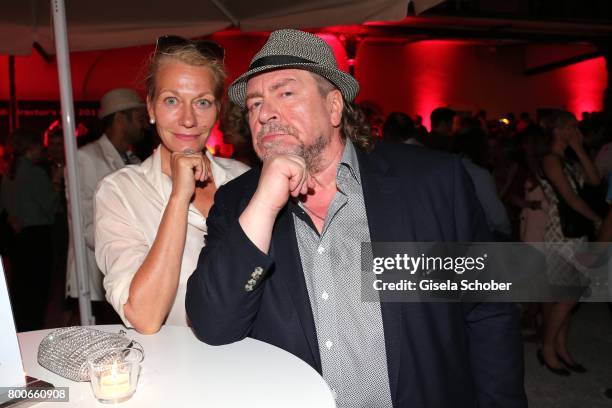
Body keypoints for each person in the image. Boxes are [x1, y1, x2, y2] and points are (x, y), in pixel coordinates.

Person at [186, 29, 526, 408]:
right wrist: (265, 203)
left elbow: (489, 311)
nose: (265, 113)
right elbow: (213, 325)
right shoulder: (238, 203)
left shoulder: (431, 182)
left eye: (285, 92)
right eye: (254, 104)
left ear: (334, 107)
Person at [94, 36, 248, 333]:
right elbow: (146, 317)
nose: (188, 119)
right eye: (172, 100)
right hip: (170, 371)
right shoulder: (120, 193)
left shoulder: (243, 179)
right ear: (151, 108)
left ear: (218, 110)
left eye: (202, 102)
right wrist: (179, 198)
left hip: (253, 360)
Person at [65, 88, 146, 324]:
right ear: (121, 118)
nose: (145, 125)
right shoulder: (85, 158)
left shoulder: (135, 161)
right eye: (140, 119)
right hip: (97, 279)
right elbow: (86, 225)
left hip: (132, 274)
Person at [535, 110, 601, 375]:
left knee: (567, 294)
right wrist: (597, 220)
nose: (577, 129)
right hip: (561, 232)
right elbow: (569, 198)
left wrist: (579, 148)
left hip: (575, 231)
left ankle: (559, 346)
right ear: (559, 129)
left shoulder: (567, 159)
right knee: (569, 294)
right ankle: (548, 348)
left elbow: (595, 180)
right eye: (572, 126)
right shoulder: (550, 160)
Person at [1, 129, 59, 331]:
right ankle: (34, 334)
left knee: (20, 291)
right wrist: (57, 186)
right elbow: (51, 205)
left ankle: (20, 334)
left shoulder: (9, 174)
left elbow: (4, 206)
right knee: (37, 293)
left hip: (18, 239)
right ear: (30, 149)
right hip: (37, 237)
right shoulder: (35, 173)